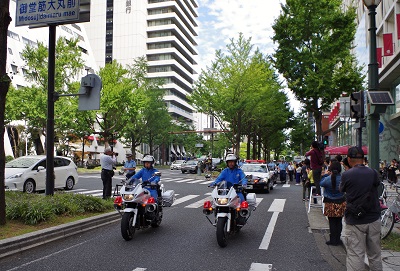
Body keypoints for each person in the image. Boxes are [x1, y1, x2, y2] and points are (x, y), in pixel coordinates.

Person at [339, 146, 382, 271]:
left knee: (356, 255)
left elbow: (342, 190)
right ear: (363, 159)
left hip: (355, 220)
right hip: (373, 218)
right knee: (375, 255)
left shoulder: (347, 175)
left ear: (348, 159)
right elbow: (377, 185)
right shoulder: (373, 172)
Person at [320, 161, 346, 246]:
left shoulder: (328, 179)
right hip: (340, 202)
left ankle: (332, 240)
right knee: (339, 222)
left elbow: (321, 183)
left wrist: (325, 174)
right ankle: (338, 239)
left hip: (330, 203)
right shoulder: (343, 178)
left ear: (330, 169)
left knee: (332, 222)